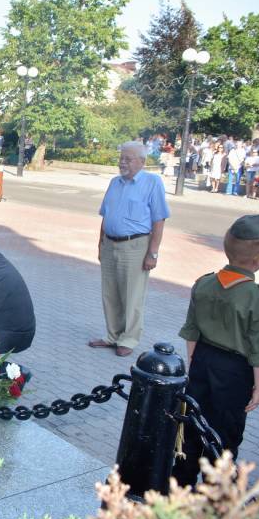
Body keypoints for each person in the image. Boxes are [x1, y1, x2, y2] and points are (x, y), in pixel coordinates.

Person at [172, 215, 259, 487]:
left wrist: (194, 363)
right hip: (235, 374)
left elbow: (191, 330)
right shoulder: (255, 296)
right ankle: (215, 490)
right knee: (225, 433)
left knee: (191, 425)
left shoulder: (204, 283)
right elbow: (257, 348)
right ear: (257, 260)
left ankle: (181, 483)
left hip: (201, 360)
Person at [88, 141, 170, 357]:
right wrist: (100, 243)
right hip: (110, 244)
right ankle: (112, 335)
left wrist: (153, 253)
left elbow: (159, 220)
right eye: (121, 158)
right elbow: (106, 215)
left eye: (128, 159)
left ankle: (129, 339)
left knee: (132, 295)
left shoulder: (152, 183)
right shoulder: (115, 183)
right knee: (110, 293)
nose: (122, 162)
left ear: (142, 161)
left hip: (135, 246)